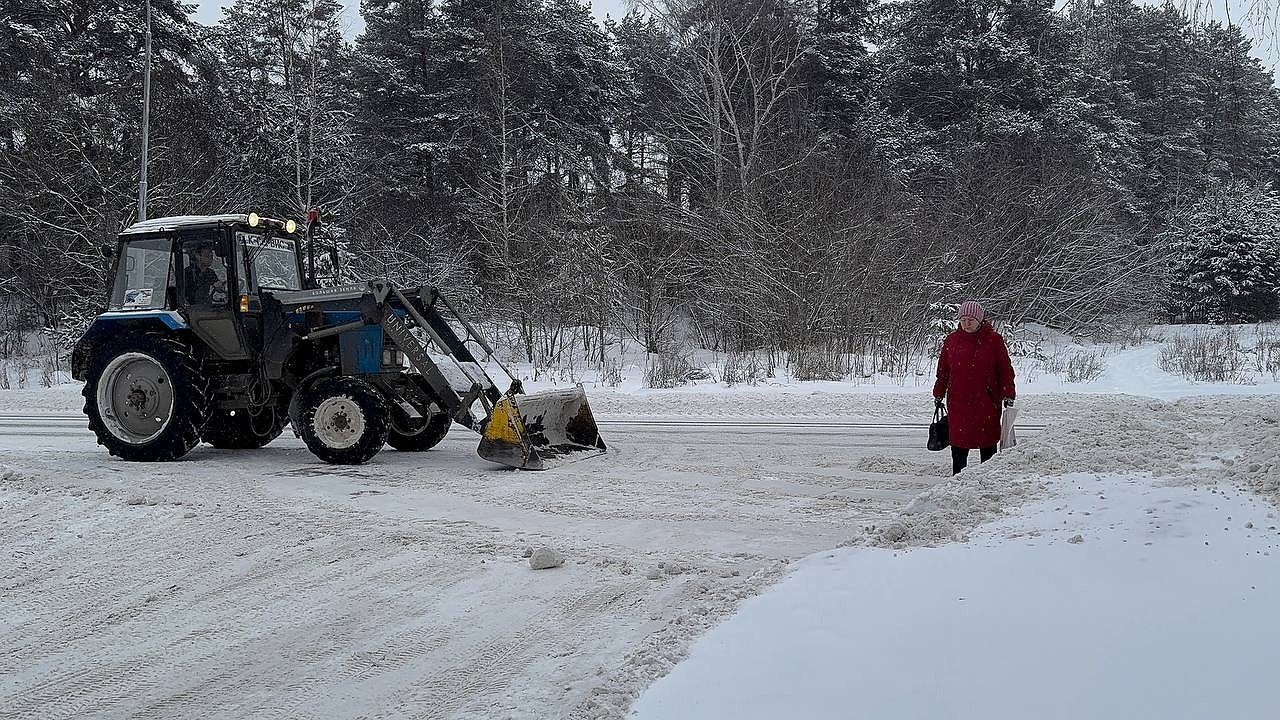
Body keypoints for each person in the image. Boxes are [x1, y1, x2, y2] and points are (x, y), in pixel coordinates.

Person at [932, 300, 1016, 475]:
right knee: (959, 445)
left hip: (987, 402)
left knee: (987, 445)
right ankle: (957, 480)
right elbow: (943, 371)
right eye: (963, 319)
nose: (966, 323)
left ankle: (987, 479)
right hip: (958, 402)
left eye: (970, 319)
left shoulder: (994, 340)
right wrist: (938, 392)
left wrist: (1008, 392)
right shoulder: (952, 340)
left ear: (979, 319)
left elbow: (1005, 369)